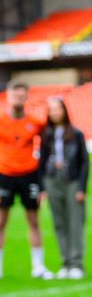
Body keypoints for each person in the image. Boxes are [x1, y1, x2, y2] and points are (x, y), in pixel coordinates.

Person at [0, 81, 51, 280]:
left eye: (22, 96)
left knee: (34, 221)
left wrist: (43, 184)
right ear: (8, 97)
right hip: (4, 175)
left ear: (26, 98)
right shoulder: (1, 120)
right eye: (15, 96)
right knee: (1, 222)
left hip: (29, 174)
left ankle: (38, 266)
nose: (18, 100)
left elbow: (47, 147)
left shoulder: (35, 122)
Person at [37, 96, 89, 279]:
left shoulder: (76, 134)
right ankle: (65, 262)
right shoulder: (46, 135)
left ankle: (77, 263)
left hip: (72, 181)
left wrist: (82, 187)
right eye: (51, 109)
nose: (54, 112)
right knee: (59, 222)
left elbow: (84, 162)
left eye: (57, 109)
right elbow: (41, 162)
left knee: (75, 222)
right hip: (52, 180)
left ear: (64, 111)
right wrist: (42, 187)